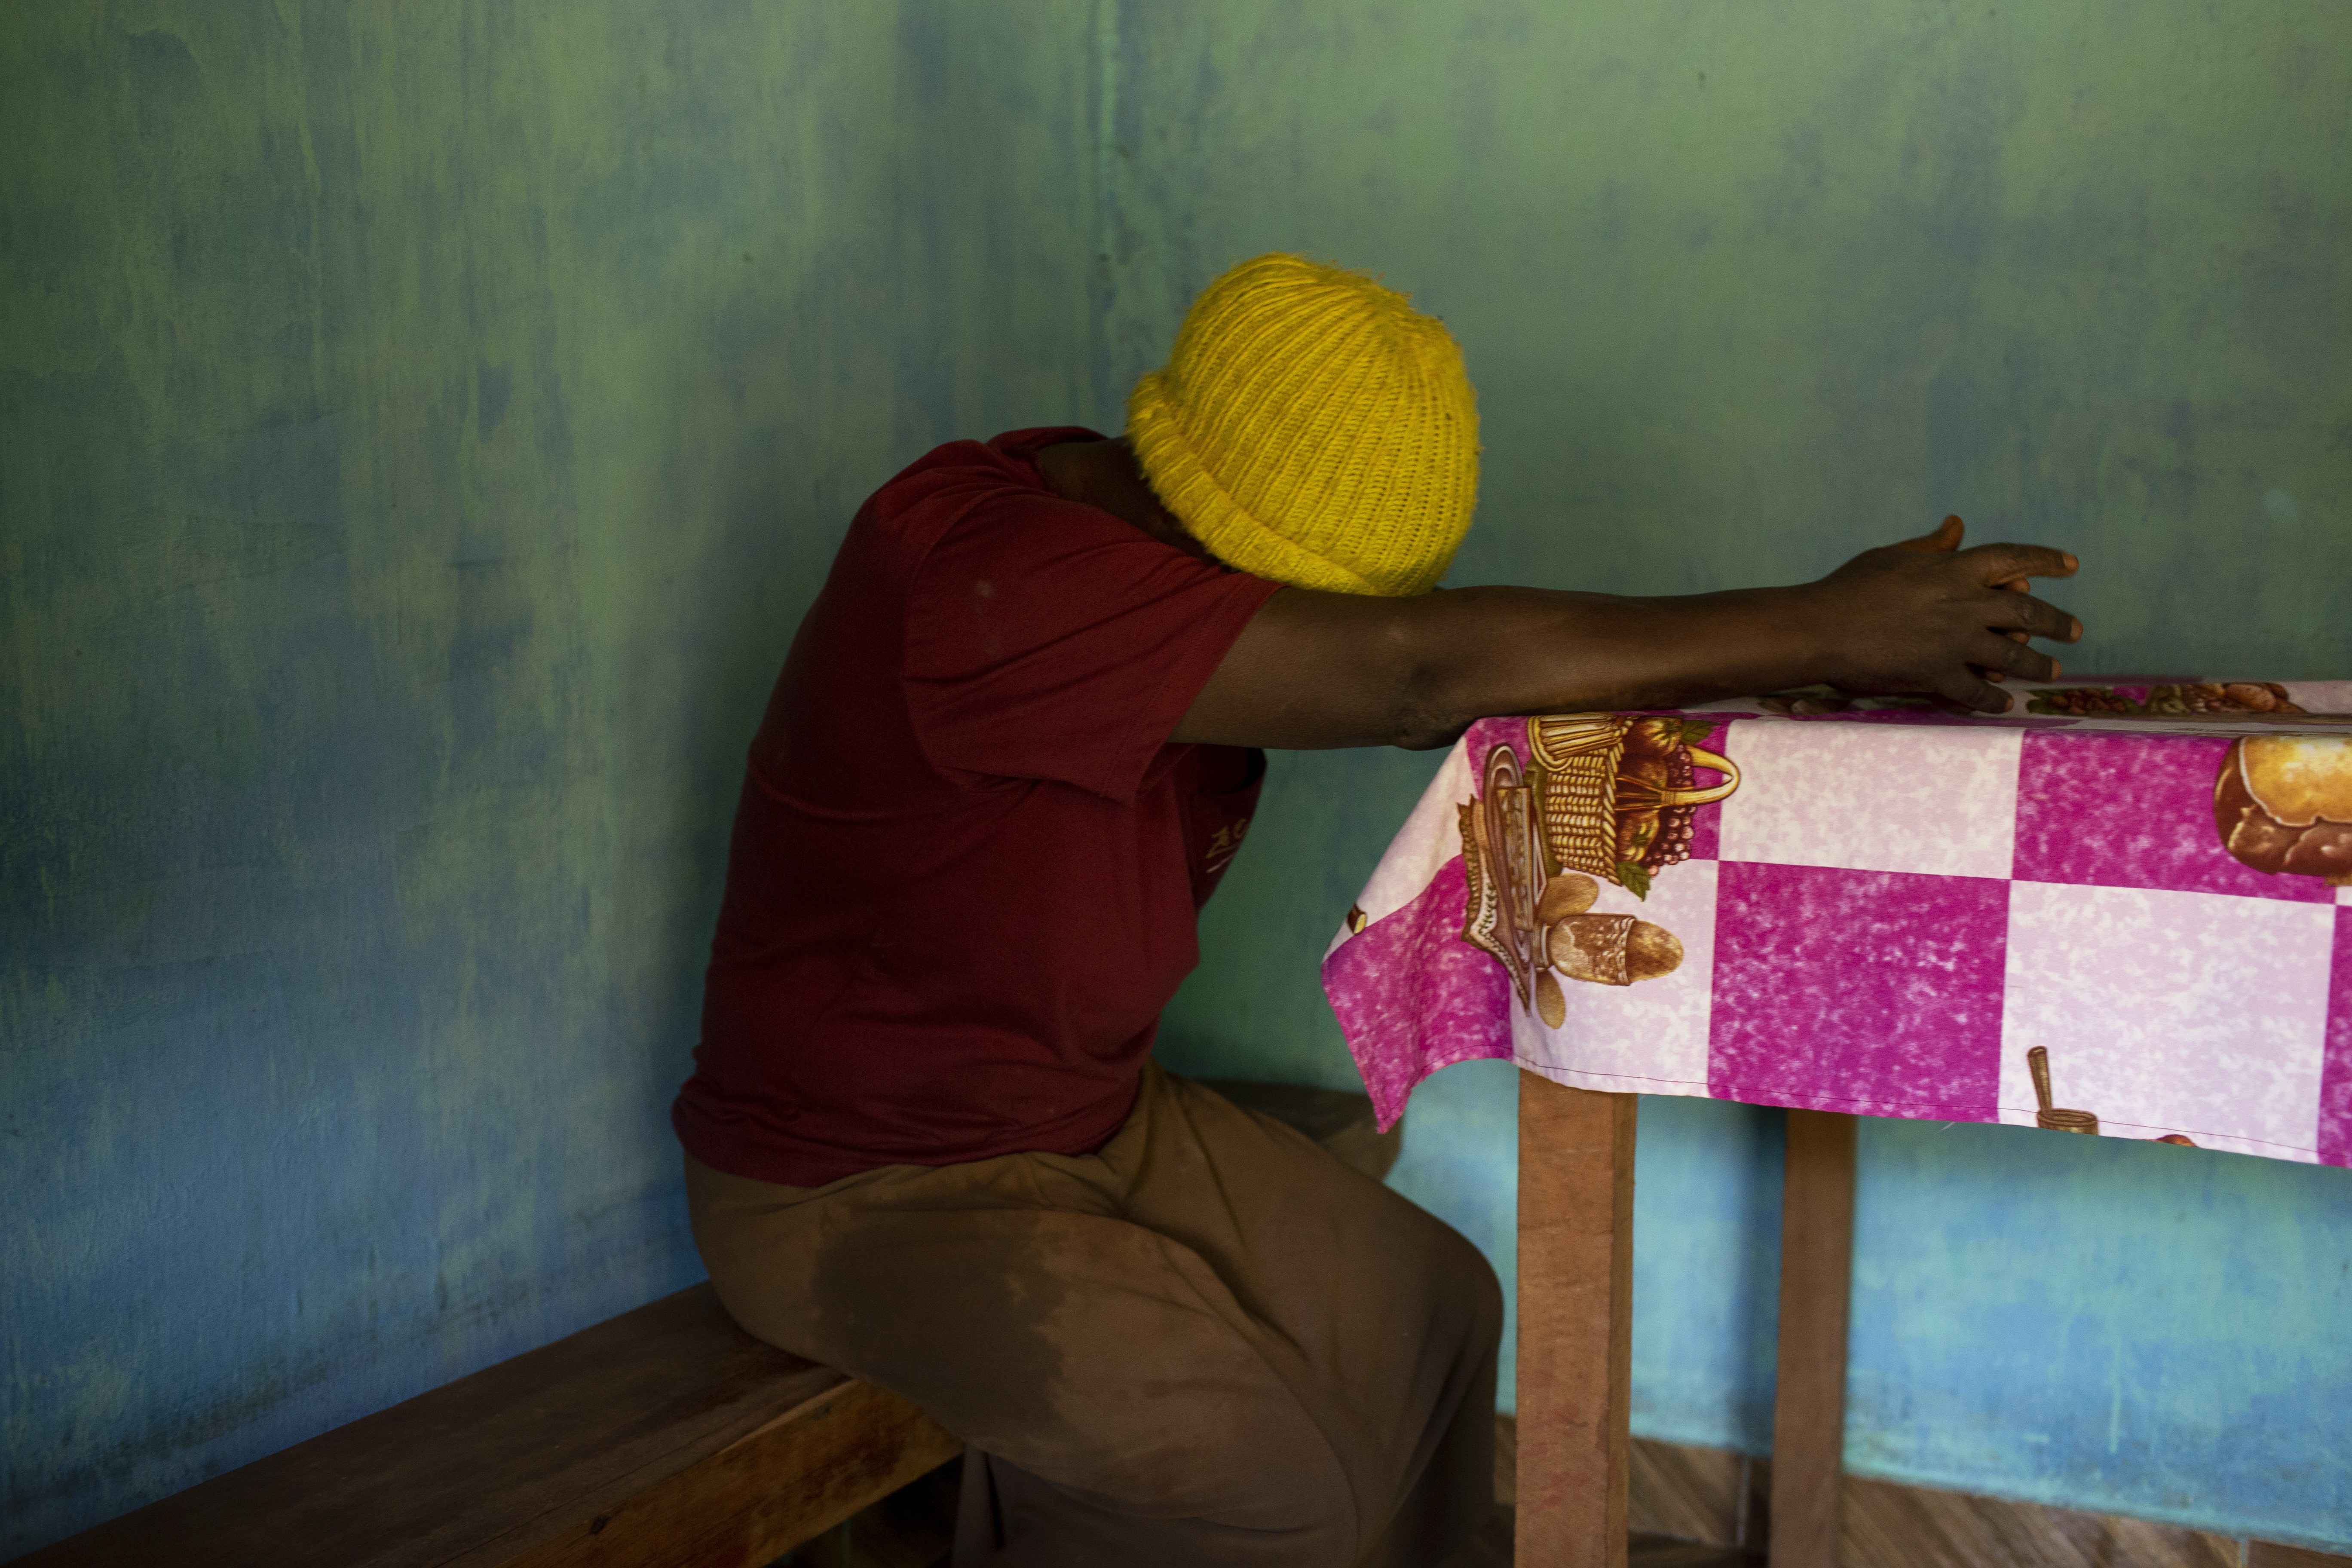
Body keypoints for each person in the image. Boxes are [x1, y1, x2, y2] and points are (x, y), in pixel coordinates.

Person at [671, 254, 2080, 1567]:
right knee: (1264, 1485)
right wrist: (1819, 623)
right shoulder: (994, 580)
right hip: (858, 1189)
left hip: (1094, 1120)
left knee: (1436, 1312)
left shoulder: (1129, 526)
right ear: (1208, 519)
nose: (1312, 622)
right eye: (1304, 595)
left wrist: (1803, 650)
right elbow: (1411, 676)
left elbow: (1410, 675)